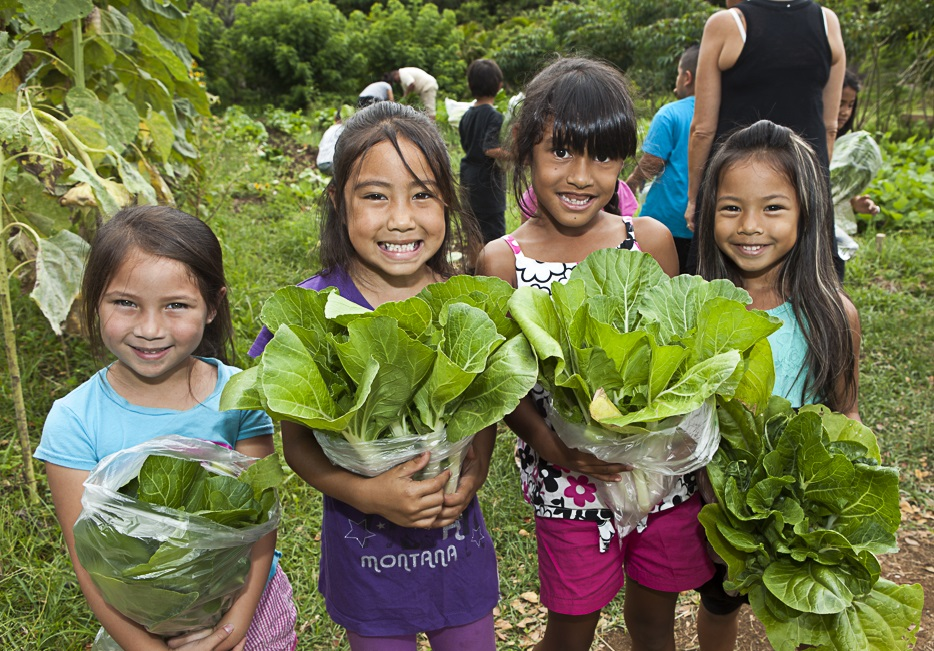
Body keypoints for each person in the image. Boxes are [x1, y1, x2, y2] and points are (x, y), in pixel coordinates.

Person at [477, 57, 714, 651]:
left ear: (622, 163)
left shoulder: (651, 242)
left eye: (602, 156)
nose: (580, 175)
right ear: (525, 152)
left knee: (656, 618)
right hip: (568, 481)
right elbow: (503, 383)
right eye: (560, 152)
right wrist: (552, 444)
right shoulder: (502, 262)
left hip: (658, 474)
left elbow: (675, 354)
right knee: (573, 623)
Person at [251, 101, 498, 651]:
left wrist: (475, 471)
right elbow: (297, 448)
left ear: (447, 202)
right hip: (366, 563)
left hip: (459, 554)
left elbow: (485, 403)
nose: (401, 219)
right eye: (376, 195)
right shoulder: (312, 312)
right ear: (339, 201)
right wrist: (368, 494)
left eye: (422, 194)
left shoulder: (466, 300)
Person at [35, 206, 297, 651]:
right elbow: (88, 562)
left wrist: (231, 628)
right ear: (94, 301)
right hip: (135, 621)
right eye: (125, 303)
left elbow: (259, 529)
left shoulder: (240, 396)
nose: (150, 329)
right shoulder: (74, 420)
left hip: (245, 605)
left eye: (176, 305)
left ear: (213, 305)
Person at [692, 119, 861, 649]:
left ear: (806, 212)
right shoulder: (700, 306)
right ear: (708, 214)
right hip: (721, 503)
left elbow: (847, 414)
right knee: (719, 603)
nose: (749, 225)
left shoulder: (833, 314)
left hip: (804, 509)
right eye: (730, 207)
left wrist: (842, 495)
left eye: (772, 207)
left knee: (806, 615)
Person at [685, 0, 846, 273]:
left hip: (735, 185)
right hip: (803, 184)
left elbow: (702, 128)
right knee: (809, 281)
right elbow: (829, 126)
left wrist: (695, 198)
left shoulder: (727, 23)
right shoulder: (827, 22)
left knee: (718, 285)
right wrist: (812, 188)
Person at [626, 45, 699, 274]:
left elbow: (653, 161)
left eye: (678, 73)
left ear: (687, 77)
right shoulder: (724, 113)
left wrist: (631, 182)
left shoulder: (670, 113)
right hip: (706, 225)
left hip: (665, 223)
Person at [459, 58, 508, 244]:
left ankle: (472, 269)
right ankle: (494, 270)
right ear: (499, 86)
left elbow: (467, 144)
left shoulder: (466, 115)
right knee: (494, 233)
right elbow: (490, 149)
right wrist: (516, 155)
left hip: (468, 178)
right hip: (487, 184)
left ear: (470, 85)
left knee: (473, 230)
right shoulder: (494, 116)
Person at [836, 69, 880, 218]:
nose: (845, 112)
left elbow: (833, 191)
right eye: (840, 103)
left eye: (850, 105)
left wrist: (854, 202)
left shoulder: (844, 146)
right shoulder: (808, 138)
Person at [316, 111, 344, 175]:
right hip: (330, 163)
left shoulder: (330, 129)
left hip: (320, 163)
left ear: (335, 118)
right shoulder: (342, 128)